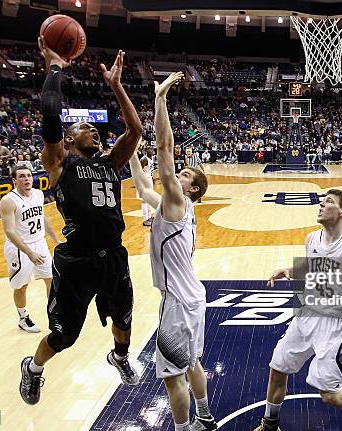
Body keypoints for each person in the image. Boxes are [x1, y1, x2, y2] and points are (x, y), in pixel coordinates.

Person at [19, 39, 143, 405]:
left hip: (113, 255)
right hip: (76, 261)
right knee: (63, 337)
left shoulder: (109, 163)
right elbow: (49, 114)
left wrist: (116, 86)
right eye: (88, 128)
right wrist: (54, 68)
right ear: (70, 139)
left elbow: (135, 131)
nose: (96, 132)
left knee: (124, 318)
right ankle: (34, 368)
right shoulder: (60, 163)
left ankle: (119, 357)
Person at [254, 189, 342, 431]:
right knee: (277, 369)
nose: (321, 205)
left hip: (336, 325)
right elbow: (315, 270)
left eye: (328, 202)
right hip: (306, 315)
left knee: (329, 395)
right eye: (322, 201)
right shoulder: (311, 238)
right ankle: (269, 424)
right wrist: (290, 270)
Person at [129, 72, 214, 431]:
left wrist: (160, 99)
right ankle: (205, 417)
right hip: (192, 296)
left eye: (183, 175)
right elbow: (141, 184)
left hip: (178, 301)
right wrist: (132, 149)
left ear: (192, 190)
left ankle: (183, 428)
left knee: (170, 376)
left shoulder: (177, 202)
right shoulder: (171, 205)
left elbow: (165, 148)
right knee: (192, 362)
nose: (176, 175)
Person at [0, 165, 59, 333]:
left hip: (39, 243)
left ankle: (54, 315)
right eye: (22, 176)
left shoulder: (38, 194)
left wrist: (54, 239)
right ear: (14, 181)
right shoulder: (9, 201)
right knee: (22, 286)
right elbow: (9, 231)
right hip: (19, 248)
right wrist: (29, 252)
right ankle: (23, 318)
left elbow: (42, 217)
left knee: (51, 279)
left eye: (29, 175)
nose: (26, 179)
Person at [140, 146, 155, 226]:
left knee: (149, 199)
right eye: (149, 149)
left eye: (152, 149)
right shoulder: (144, 159)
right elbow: (139, 170)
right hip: (144, 180)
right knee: (145, 200)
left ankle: (149, 217)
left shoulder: (151, 159)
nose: (151, 150)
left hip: (149, 179)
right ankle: (145, 219)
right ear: (145, 150)